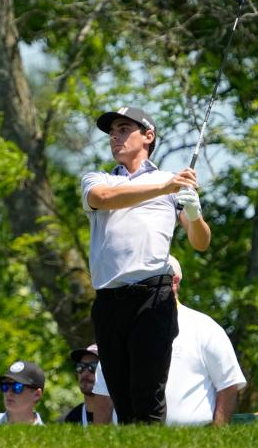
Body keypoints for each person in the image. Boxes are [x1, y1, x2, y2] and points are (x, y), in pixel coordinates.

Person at [82, 107, 211, 423]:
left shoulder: (171, 182)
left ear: (148, 136)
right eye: (112, 132)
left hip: (153, 297)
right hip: (109, 300)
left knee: (147, 395)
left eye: (124, 129)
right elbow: (105, 197)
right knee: (123, 401)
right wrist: (168, 188)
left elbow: (201, 241)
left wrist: (193, 214)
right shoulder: (99, 178)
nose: (115, 137)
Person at [92, 256, 246, 426]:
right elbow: (104, 397)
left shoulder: (205, 327)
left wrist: (216, 439)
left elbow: (228, 385)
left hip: (195, 444)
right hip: (130, 442)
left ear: (174, 281)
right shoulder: (120, 329)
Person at [0, 361, 46, 426]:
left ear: (37, 394)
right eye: (5, 386)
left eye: (17, 387)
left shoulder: (46, 438)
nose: (8, 393)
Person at [62, 344, 112, 426]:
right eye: (80, 367)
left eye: (93, 367)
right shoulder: (72, 418)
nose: (85, 373)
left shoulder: (120, 414)